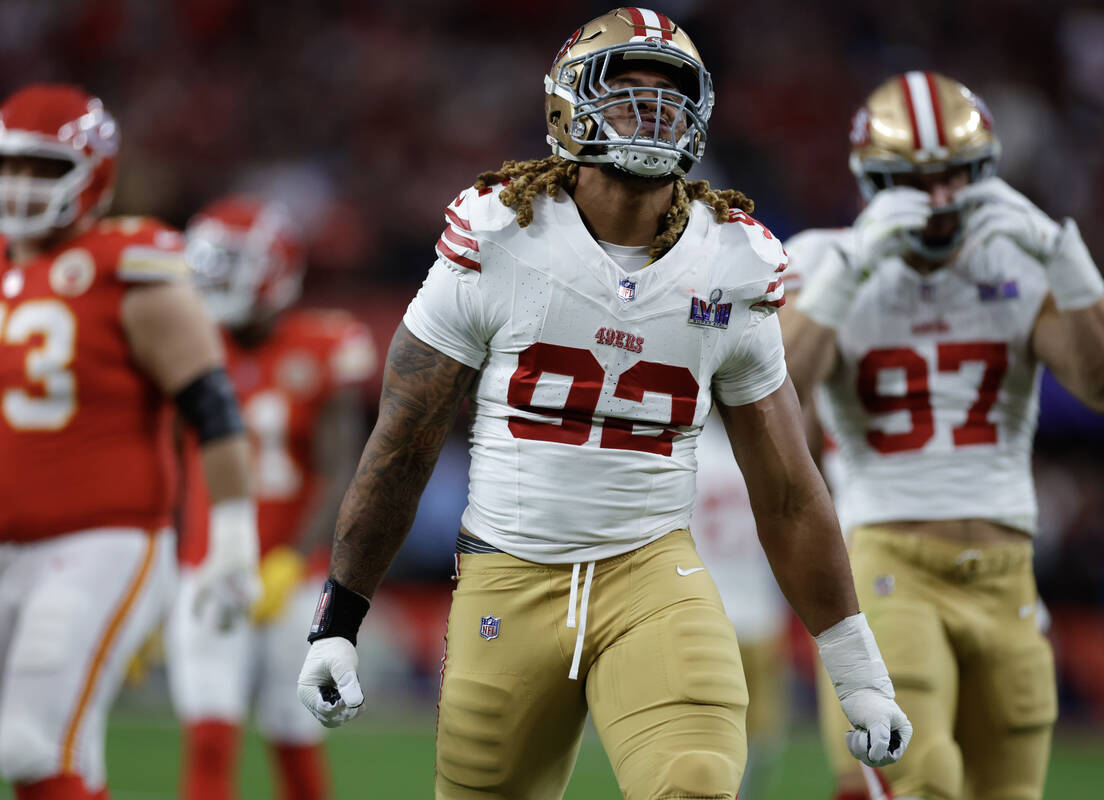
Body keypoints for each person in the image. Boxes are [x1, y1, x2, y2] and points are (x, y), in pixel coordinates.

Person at [295, 9, 912, 798]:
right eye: (627, 87)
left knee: (694, 782)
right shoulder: (498, 234)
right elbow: (402, 444)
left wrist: (855, 669)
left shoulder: (732, 261)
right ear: (565, 104)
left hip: (652, 572)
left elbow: (787, 490)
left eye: (670, 91)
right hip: (507, 577)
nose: (653, 107)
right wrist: (339, 620)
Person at [0, 84, 260, 800]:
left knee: (32, 746)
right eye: (7, 165)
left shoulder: (128, 265)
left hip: (108, 541)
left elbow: (212, 405)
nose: (17, 185)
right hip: (7, 548)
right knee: (53, 750)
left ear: (91, 173)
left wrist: (230, 530)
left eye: (40, 168)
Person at [780, 71, 1104, 800]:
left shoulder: (1019, 255)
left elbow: (1099, 382)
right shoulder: (824, 260)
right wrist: (851, 269)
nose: (942, 200)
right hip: (890, 565)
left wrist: (1063, 254)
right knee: (918, 786)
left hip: (1008, 573)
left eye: (959, 176)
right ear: (873, 180)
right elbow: (771, 391)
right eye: (916, 181)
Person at [168, 195, 377, 800]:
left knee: (295, 739)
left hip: (296, 579)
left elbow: (343, 469)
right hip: (207, 569)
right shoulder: (184, 344)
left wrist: (293, 558)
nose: (216, 279)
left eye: (232, 264)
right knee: (208, 739)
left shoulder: (323, 344)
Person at [689, 412, 791, 800]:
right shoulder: (758, 453)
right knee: (759, 731)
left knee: (702, 726)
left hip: (705, 607)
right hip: (760, 611)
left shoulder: (691, 453)